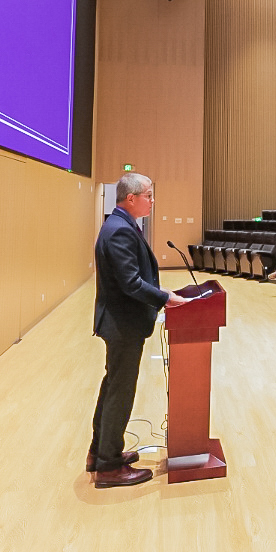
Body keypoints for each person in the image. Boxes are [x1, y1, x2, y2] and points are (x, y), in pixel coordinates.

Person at [89, 173, 189, 488]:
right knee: (120, 392)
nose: (152, 199)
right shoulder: (119, 230)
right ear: (130, 198)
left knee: (112, 388)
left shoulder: (122, 225)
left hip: (122, 323)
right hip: (122, 325)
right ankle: (108, 467)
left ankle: (101, 452)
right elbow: (130, 283)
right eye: (148, 194)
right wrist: (165, 297)